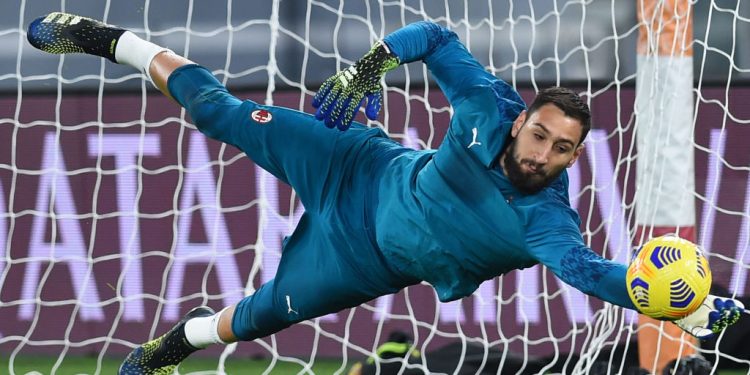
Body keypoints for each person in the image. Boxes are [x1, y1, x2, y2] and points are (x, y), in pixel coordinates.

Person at [26, 12, 745, 375]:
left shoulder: (543, 219)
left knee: (253, 322)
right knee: (217, 110)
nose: (544, 155)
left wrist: (689, 301)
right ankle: (101, 37)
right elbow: (433, 35)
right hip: (359, 166)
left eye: (563, 151)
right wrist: (371, 66)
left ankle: (168, 345)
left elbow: (591, 274)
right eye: (540, 136)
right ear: (521, 119)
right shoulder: (486, 104)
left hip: (365, 259)